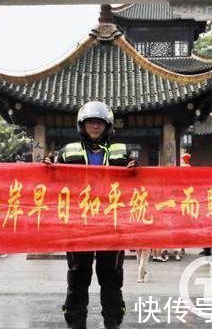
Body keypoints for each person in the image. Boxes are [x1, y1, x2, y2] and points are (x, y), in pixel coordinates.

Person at [44, 101, 138, 329]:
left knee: (112, 279)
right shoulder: (67, 152)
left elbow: (137, 185)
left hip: (111, 226)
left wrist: (136, 170)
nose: (95, 126)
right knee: (77, 277)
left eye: (99, 122)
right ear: (82, 125)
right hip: (79, 226)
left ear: (107, 126)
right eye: (90, 122)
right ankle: (76, 322)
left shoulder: (123, 152)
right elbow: (52, 181)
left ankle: (112, 321)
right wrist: (46, 165)